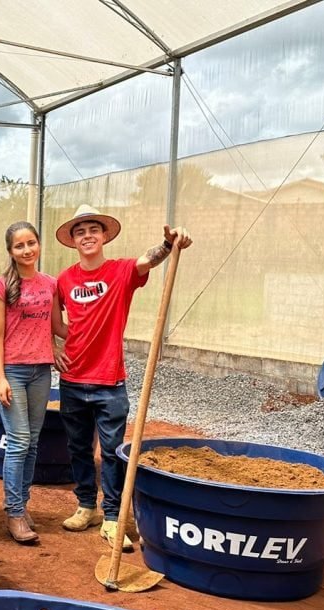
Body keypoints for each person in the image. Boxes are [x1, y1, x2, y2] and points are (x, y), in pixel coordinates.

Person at [54, 205, 191, 551]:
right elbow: (51, 320)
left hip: (109, 381)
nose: (87, 236)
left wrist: (166, 244)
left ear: (104, 237)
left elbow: (148, 260)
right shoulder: (64, 280)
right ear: (73, 240)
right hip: (72, 379)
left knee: (113, 451)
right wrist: (55, 346)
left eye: (93, 230)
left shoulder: (120, 272)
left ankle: (113, 516)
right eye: (80, 231)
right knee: (79, 448)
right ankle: (86, 506)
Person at [0, 221, 64, 544]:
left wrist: (95, 334)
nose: (26, 250)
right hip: (14, 372)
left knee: (32, 441)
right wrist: (0, 377)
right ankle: (14, 512)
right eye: (19, 246)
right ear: (10, 251)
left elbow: (58, 326)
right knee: (18, 441)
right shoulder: (1, 285)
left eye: (31, 243)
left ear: (39, 245)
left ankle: (23, 504)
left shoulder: (50, 283)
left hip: (41, 372)